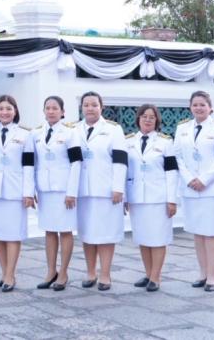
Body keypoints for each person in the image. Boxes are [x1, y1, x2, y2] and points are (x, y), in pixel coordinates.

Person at [175, 90, 214, 292]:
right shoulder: (182, 128)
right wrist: (189, 179)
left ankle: (213, 277)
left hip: (213, 189)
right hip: (191, 188)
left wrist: (204, 179)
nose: (198, 108)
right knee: (198, 233)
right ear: (190, 107)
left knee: (212, 234)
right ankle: (202, 274)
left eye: (202, 104)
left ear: (210, 108)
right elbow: (177, 157)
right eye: (195, 104)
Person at [0, 94, 34, 292]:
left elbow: (29, 165)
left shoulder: (26, 134)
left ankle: (11, 275)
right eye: (1, 108)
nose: (4, 112)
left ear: (15, 111)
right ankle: (4, 273)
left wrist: (28, 192)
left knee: (13, 235)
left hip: (15, 190)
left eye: (8, 109)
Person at [75, 91, 127, 291]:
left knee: (106, 234)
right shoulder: (74, 129)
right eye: (86, 105)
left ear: (101, 107)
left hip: (106, 191)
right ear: (81, 107)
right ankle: (90, 273)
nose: (90, 108)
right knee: (87, 233)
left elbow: (120, 160)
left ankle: (105, 274)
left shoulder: (113, 129)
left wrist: (118, 188)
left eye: (94, 105)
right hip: (83, 190)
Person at [125, 104, 178, 292]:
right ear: (138, 119)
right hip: (137, 197)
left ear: (157, 121)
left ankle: (156, 277)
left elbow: (172, 172)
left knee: (158, 238)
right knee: (143, 237)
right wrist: (125, 197)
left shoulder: (165, 142)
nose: (148, 120)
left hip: (158, 198)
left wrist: (172, 200)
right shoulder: (128, 141)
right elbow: (125, 171)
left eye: (152, 117)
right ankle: (148, 274)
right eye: (144, 116)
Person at [32, 95, 82, 291]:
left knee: (65, 230)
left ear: (62, 112)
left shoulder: (70, 133)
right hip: (45, 189)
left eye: (55, 108)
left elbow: (76, 163)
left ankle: (63, 272)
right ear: (44, 111)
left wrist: (72, 192)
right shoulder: (36, 133)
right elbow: (33, 162)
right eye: (48, 108)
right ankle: (51, 271)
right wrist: (32, 189)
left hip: (63, 190)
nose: (51, 111)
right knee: (49, 230)